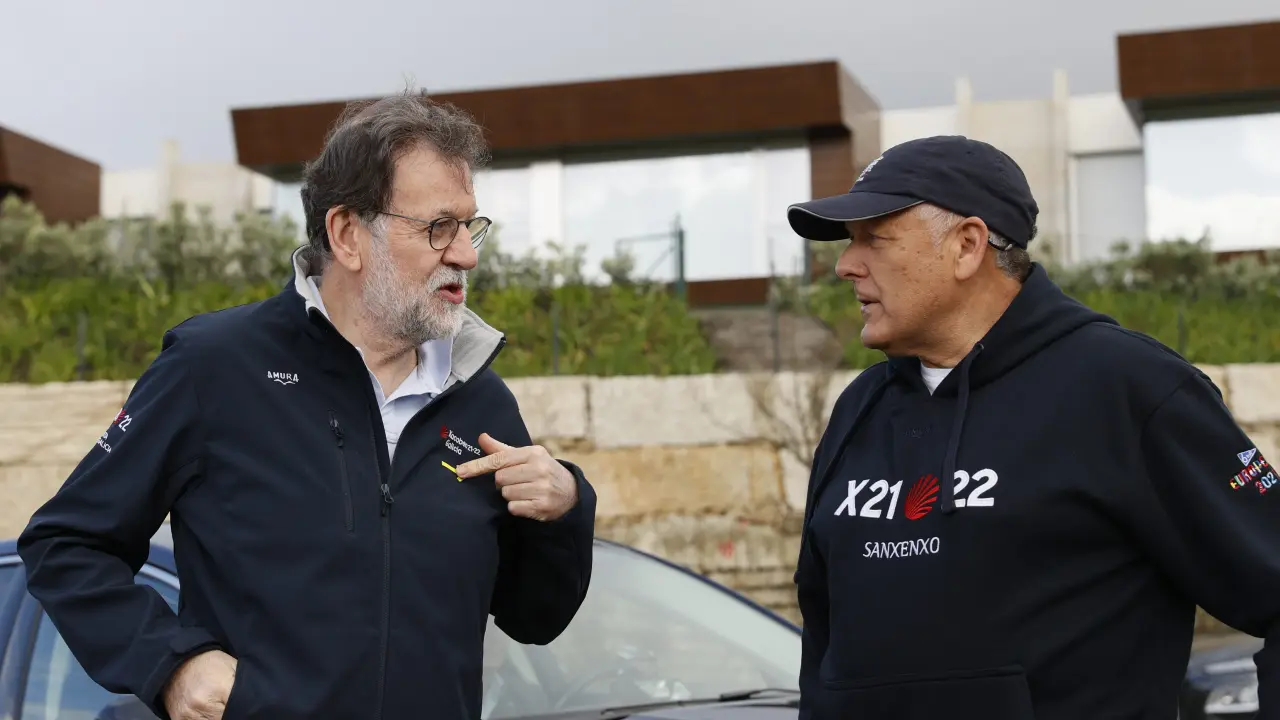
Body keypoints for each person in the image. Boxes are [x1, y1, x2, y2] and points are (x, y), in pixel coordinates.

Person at [18, 89, 597, 720]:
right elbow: (65, 544)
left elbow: (534, 619)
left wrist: (565, 508)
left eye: (470, 226)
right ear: (347, 234)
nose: (467, 254)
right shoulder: (215, 367)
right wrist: (171, 665)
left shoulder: (480, 399)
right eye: (439, 228)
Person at [785, 134, 1279, 720]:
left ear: (967, 245)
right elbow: (823, 638)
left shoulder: (1128, 388)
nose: (846, 265)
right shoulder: (859, 408)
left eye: (874, 238)